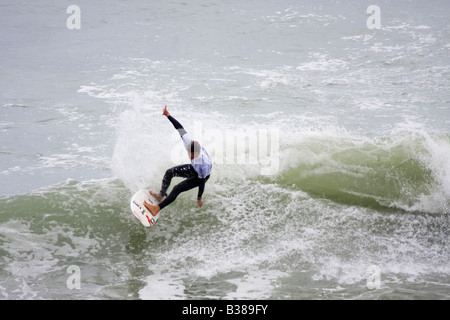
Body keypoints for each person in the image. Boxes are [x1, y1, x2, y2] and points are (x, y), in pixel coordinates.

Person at [143, 106, 212, 216]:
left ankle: (156, 209)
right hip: (194, 168)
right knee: (169, 172)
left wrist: (199, 197)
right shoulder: (188, 142)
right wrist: (168, 115)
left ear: (198, 153)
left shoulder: (203, 165)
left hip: (201, 176)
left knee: (177, 189)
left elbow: (202, 181)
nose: (190, 155)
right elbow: (179, 128)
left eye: (192, 155)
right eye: (189, 153)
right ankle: (161, 196)